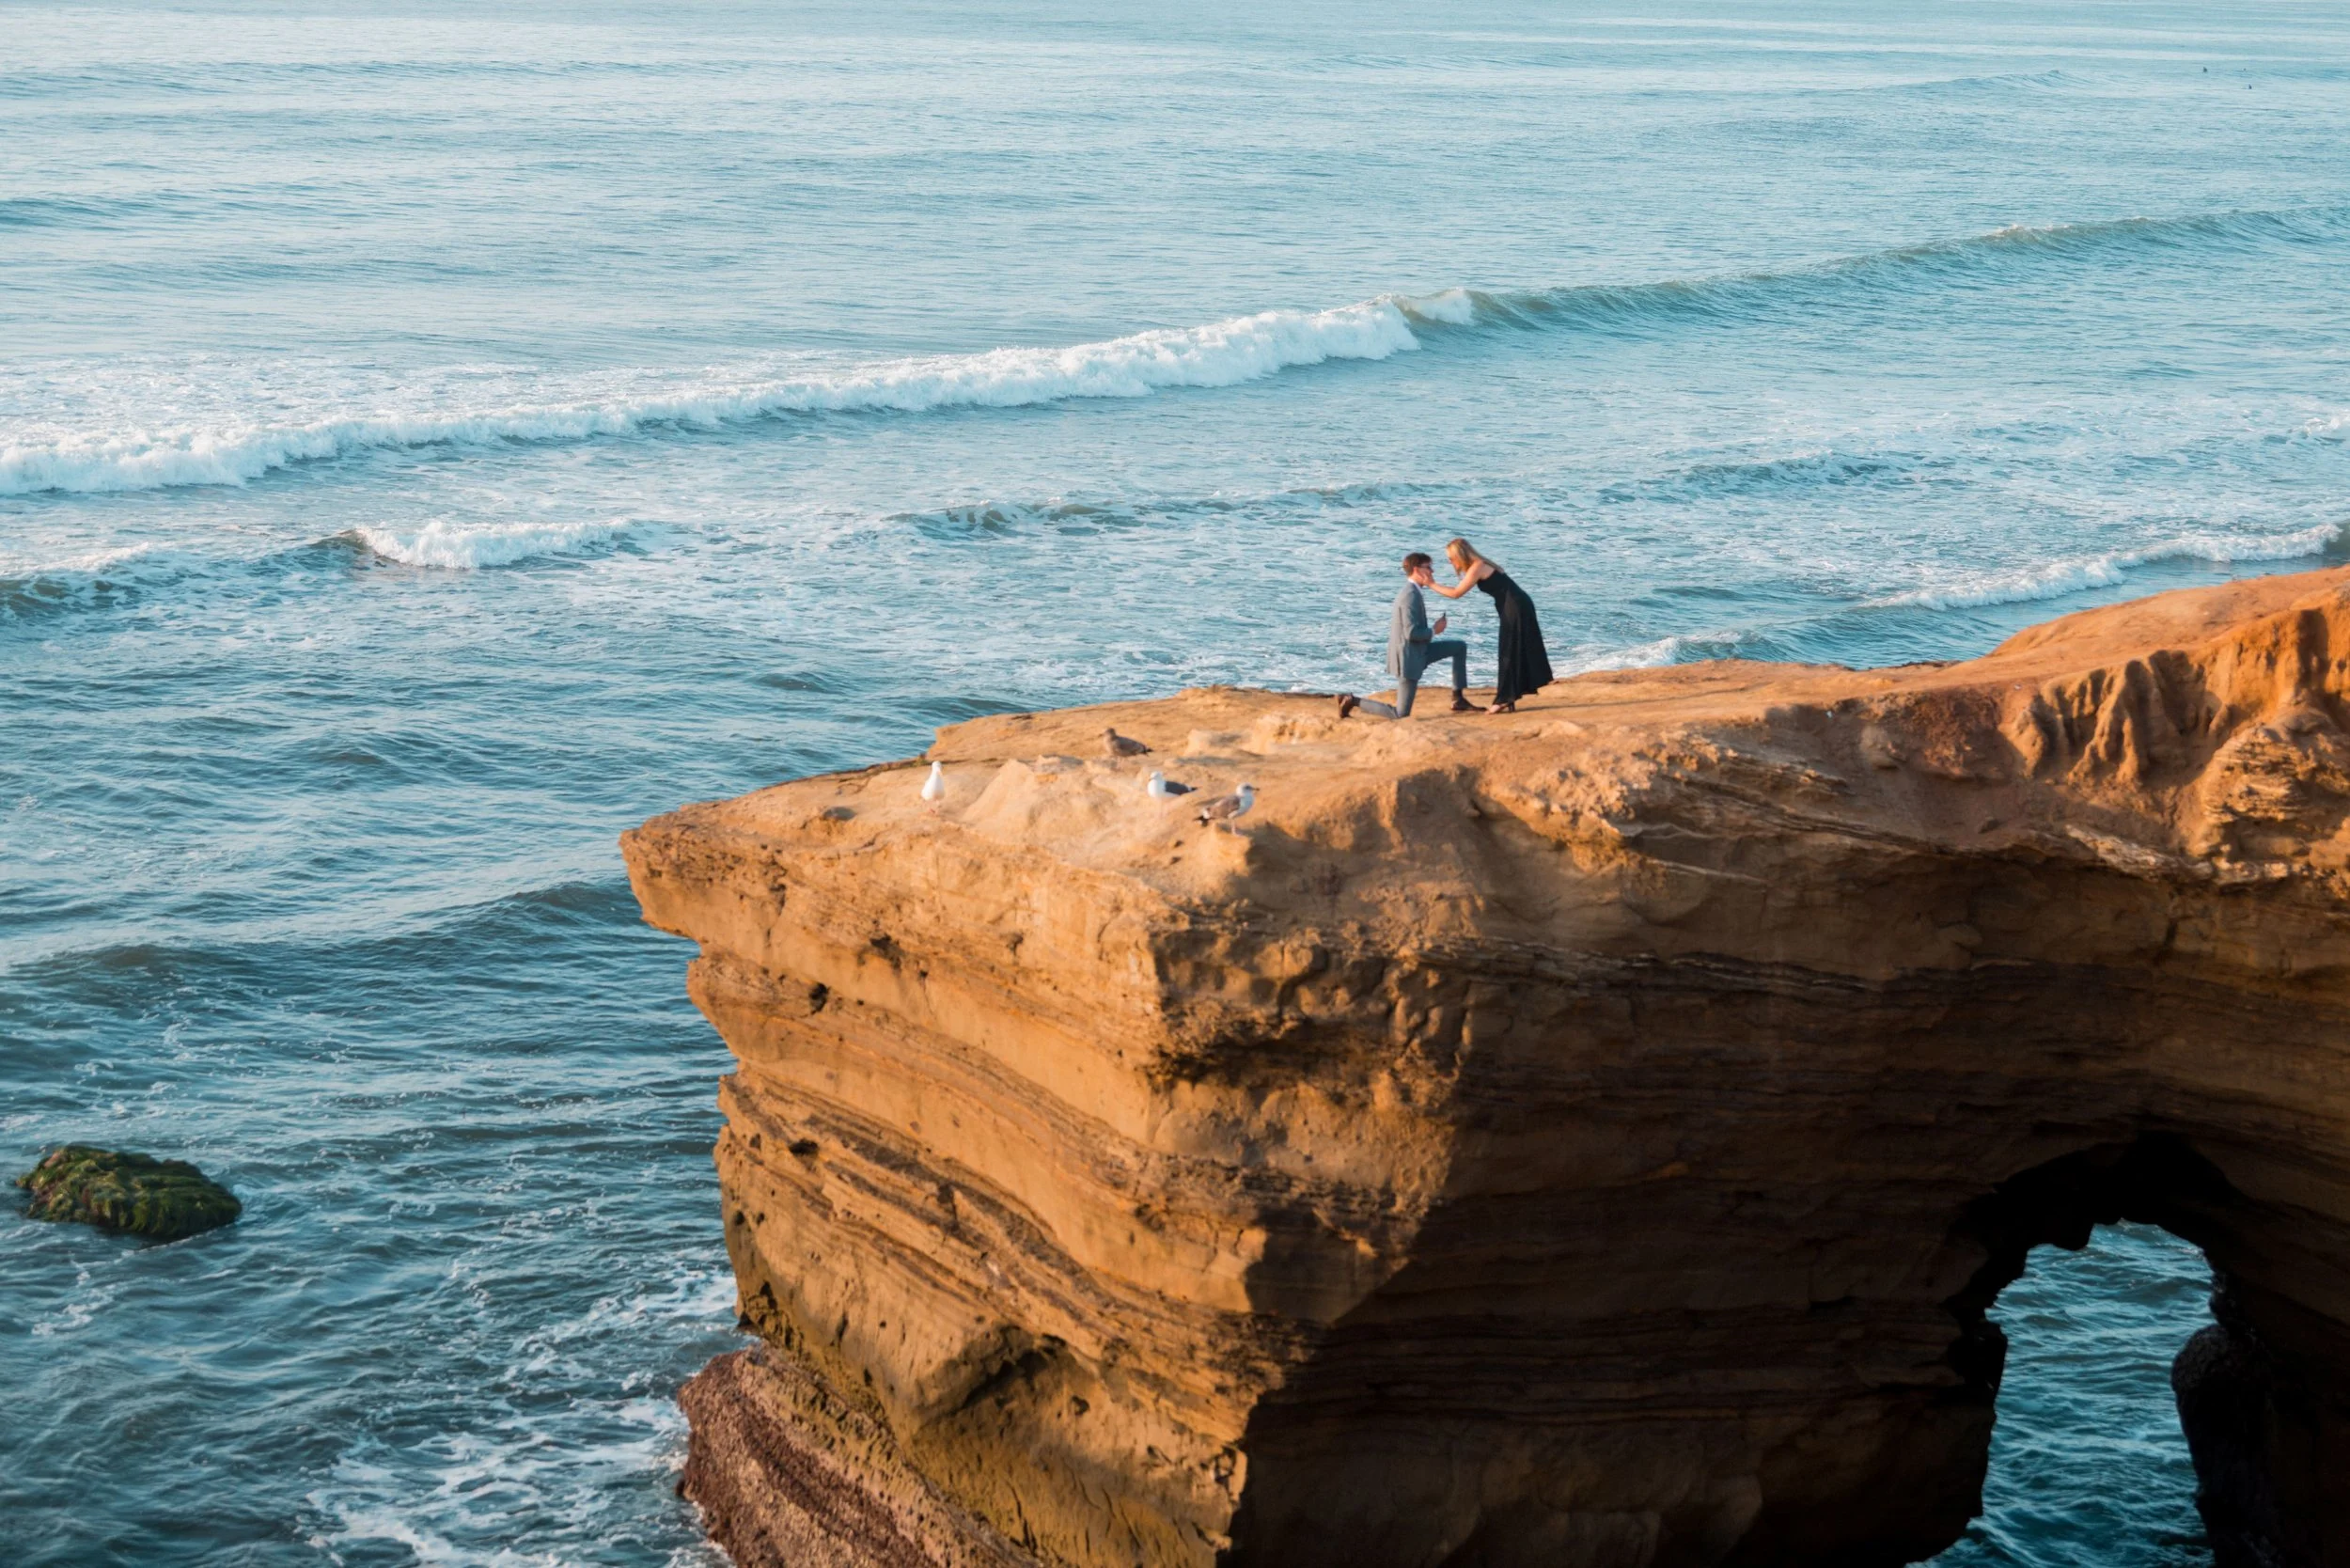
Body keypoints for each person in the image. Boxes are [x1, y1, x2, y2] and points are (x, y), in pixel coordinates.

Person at [1337, 553, 1474, 720]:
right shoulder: (1410, 596)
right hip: (1409, 658)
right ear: (1416, 570)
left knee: (1459, 647)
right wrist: (1434, 630)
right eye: (1428, 567)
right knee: (1400, 714)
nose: (1432, 571)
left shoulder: (1414, 592)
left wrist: (1433, 630)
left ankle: (1458, 698)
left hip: (1421, 651)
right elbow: (1411, 633)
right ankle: (1352, 700)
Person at [1428, 537, 1552, 713]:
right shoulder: (1480, 564)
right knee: (1511, 649)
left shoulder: (1478, 566)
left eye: (1450, 558)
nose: (1449, 562)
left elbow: (1456, 593)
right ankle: (1509, 697)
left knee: (1508, 651)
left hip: (1515, 606)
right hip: (1515, 604)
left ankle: (1504, 699)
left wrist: (1430, 584)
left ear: (1460, 555)